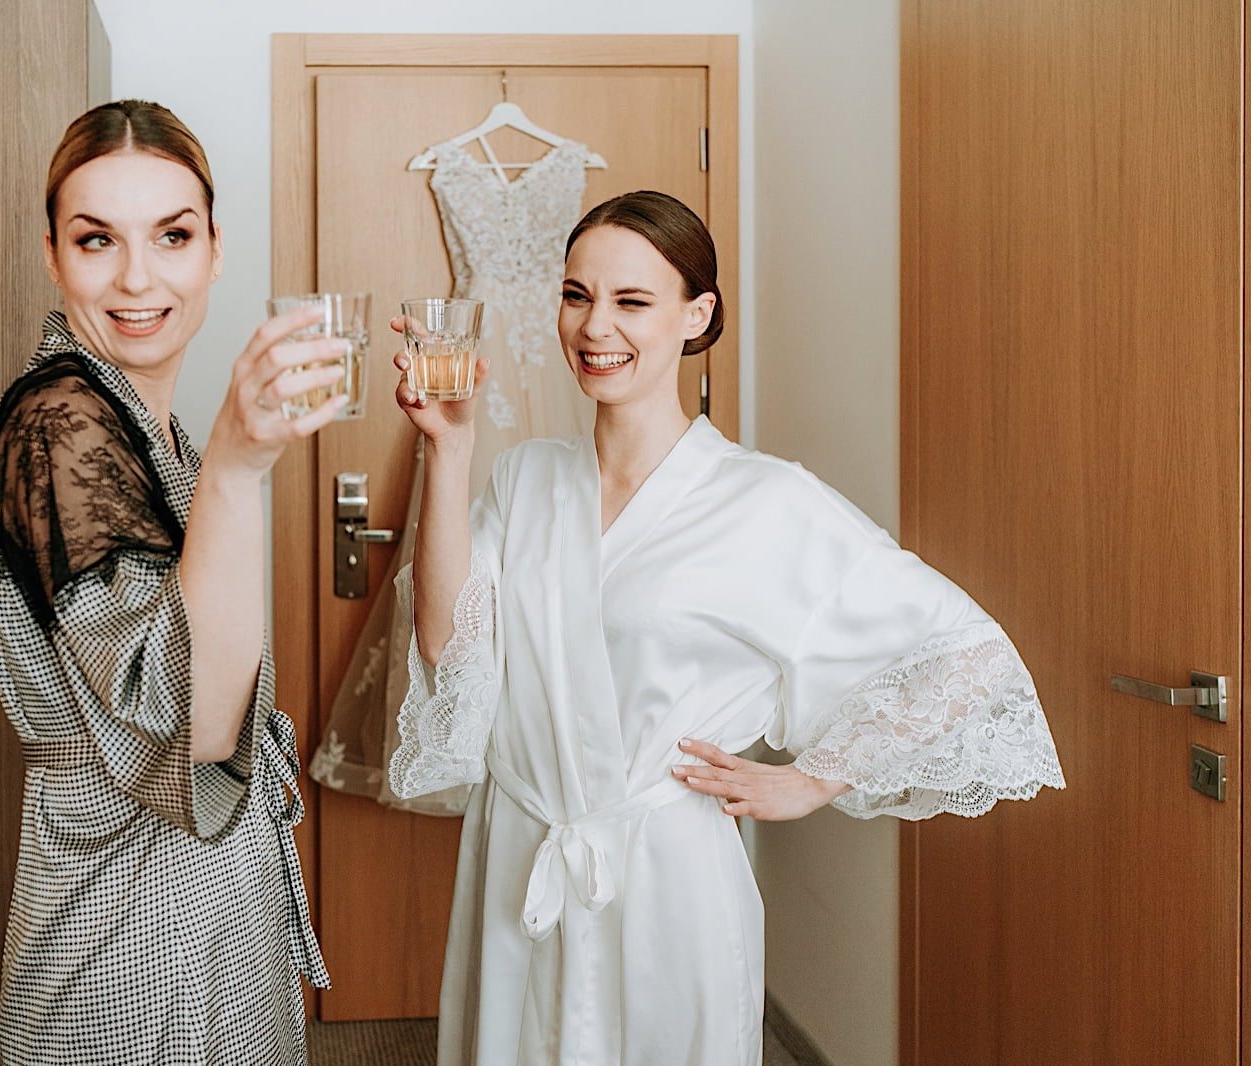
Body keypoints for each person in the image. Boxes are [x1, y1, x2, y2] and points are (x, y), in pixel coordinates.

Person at [387, 190, 1065, 1066]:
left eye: (632, 301)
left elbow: (969, 655)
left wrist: (813, 779)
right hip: (521, 855)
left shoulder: (766, 502)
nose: (595, 327)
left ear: (696, 315)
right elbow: (447, 648)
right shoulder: (526, 481)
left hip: (668, 879)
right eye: (576, 295)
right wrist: (447, 450)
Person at [0, 100, 338, 1065]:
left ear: (215, 250)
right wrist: (240, 468)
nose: (138, 278)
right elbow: (198, 729)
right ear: (53, 255)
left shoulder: (148, 429)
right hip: (125, 928)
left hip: (199, 906)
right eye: (98, 240)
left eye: (171, 236)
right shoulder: (59, 424)